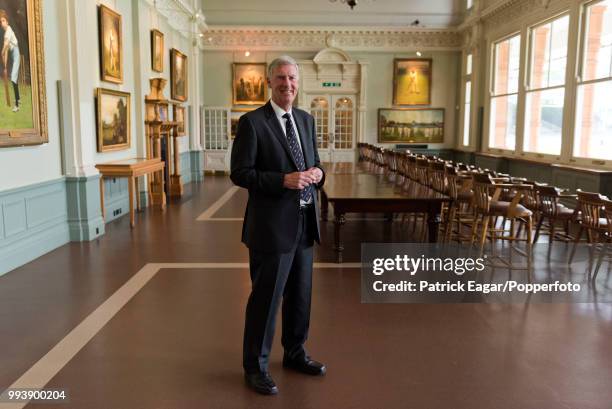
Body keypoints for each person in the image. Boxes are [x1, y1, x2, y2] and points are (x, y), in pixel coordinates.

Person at [230, 55, 326, 395]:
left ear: (298, 83)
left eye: (292, 79)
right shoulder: (253, 122)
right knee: (266, 300)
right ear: (270, 82)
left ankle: (295, 353)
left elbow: (315, 163)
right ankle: (255, 366)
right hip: (270, 228)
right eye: (281, 78)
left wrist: (318, 173)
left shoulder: (306, 119)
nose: (288, 84)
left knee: (301, 296)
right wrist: (282, 180)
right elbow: (240, 174)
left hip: (304, 223)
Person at [0, 9, 20, 112]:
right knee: (13, 78)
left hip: (16, 54)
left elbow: (6, 46)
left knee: (13, 78)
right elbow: (6, 52)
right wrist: (5, 67)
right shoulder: (5, 34)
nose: (2, 23)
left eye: (3, 20)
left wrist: (2, 52)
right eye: (0, 21)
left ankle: (16, 105)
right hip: (12, 54)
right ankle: (18, 99)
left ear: (7, 21)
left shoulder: (9, 30)